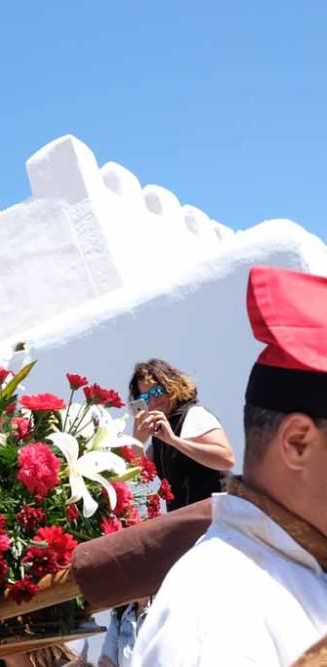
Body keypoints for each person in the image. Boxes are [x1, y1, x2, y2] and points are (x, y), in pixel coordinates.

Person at [132, 266, 327, 666]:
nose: (150, 399)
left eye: (154, 390)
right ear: (297, 442)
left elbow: (224, 457)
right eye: (142, 395)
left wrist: (172, 439)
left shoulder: (194, 418)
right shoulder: (219, 619)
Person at [128, 359, 235, 510]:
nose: (153, 400)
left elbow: (226, 459)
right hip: (191, 523)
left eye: (157, 391)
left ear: (172, 387)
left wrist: (173, 440)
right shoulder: (159, 436)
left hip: (219, 515)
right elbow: (140, 476)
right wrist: (137, 441)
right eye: (146, 398)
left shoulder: (194, 414)